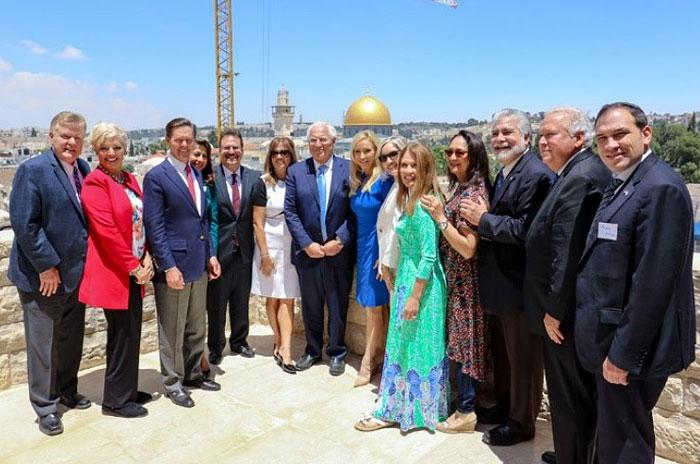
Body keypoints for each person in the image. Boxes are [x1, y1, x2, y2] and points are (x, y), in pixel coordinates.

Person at [576, 102, 696, 464]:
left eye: (620, 134)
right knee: (617, 435)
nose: (611, 145)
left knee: (627, 443)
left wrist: (623, 355)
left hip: (630, 350)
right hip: (612, 341)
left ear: (646, 134)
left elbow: (652, 285)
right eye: (602, 139)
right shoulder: (627, 182)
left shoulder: (660, 188)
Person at [460, 109, 553, 446]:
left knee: (524, 360)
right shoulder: (506, 173)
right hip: (502, 288)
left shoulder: (536, 176)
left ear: (526, 139)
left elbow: (528, 231)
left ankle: (522, 423)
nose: (499, 138)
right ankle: (505, 408)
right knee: (505, 355)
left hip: (521, 288)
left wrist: (483, 221)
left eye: (508, 133)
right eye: (496, 132)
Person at [523, 108, 610, 464]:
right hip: (565, 311)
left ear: (578, 138)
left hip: (564, 316)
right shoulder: (573, 172)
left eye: (551, 134)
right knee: (573, 395)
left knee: (570, 397)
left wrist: (554, 312)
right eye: (541, 135)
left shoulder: (580, 177)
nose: (543, 142)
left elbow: (568, 252)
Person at [355, 141, 449, 432]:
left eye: (413, 165)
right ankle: (405, 408)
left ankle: (401, 411)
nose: (407, 170)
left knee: (413, 345)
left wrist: (414, 297)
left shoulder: (424, 204)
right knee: (406, 345)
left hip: (421, 284)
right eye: (404, 165)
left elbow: (429, 254)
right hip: (409, 277)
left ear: (425, 169)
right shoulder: (410, 197)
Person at [8, 111, 91, 435]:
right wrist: (46, 265)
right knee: (43, 345)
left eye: (77, 137)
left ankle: (67, 391)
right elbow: (24, 223)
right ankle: (45, 407)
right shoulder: (34, 169)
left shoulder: (82, 169)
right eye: (64, 136)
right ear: (51, 136)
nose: (71, 142)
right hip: (43, 278)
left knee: (70, 340)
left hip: (75, 275)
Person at [143, 117, 221, 408]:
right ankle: (172, 382)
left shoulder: (196, 174)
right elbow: (155, 226)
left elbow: (202, 221)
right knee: (172, 329)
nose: (185, 144)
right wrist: (168, 266)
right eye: (179, 140)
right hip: (174, 265)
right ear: (168, 141)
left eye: (189, 139)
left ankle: (191, 374)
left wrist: (211, 255)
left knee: (195, 324)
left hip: (198, 262)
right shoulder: (158, 176)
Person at [79, 122, 155, 418]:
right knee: (122, 335)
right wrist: (134, 267)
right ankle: (115, 401)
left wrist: (147, 256)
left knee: (131, 332)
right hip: (117, 272)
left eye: (117, 147)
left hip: (135, 267)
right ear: (96, 151)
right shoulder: (95, 183)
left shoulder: (129, 178)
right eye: (104, 148)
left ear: (125, 149)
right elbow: (107, 233)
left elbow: (139, 222)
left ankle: (126, 389)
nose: (111, 153)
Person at [421, 130, 492, 434]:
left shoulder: (472, 196)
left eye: (459, 153)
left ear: (473, 155)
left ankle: (466, 410)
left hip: (467, 285)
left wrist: (440, 217)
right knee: (460, 345)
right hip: (456, 282)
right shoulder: (462, 188)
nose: (451, 157)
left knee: (465, 346)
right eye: (448, 152)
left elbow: (468, 247)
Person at [284, 121, 355, 376]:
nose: (318, 144)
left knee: (337, 305)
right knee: (311, 305)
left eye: (323, 139)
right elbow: (290, 212)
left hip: (339, 252)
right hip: (309, 254)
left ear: (333, 142)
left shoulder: (349, 169)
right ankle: (313, 350)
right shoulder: (296, 172)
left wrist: (341, 239)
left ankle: (337, 352)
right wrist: (307, 244)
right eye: (313, 140)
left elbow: (354, 211)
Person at [206, 128, 261, 364]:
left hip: (245, 251)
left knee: (241, 299)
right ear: (219, 150)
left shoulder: (253, 178)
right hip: (219, 251)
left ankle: (239, 341)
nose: (231, 152)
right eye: (226, 148)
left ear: (242, 149)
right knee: (216, 303)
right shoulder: (210, 178)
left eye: (235, 148)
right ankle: (216, 346)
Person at [250, 136, 301, 374]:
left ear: (292, 155)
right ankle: (278, 341)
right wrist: (265, 255)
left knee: (288, 297)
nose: (280, 156)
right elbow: (257, 223)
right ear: (270, 157)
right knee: (272, 297)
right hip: (268, 245)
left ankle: (286, 348)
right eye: (275, 153)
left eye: (285, 152)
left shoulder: (297, 181)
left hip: (291, 245)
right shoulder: (263, 184)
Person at [349, 130, 393, 387]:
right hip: (362, 246)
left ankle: (368, 362)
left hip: (377, 250)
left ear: (376, 151)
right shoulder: (360, 179)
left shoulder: (384, 181)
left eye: (367, 150)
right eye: (357, 151)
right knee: (373, 305)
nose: (362, 156)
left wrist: (384, 254)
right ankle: (379, 356)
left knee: (374, 306)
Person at [190, 139, 217, 378]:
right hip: (182, 256)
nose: (199, 160)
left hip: (202, 255)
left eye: (204, 156)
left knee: (199, 314)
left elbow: (212, 222)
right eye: (195, 154)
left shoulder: (207, 184)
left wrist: (212, 254)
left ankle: (200, 358)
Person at [376, 135, 407, 292]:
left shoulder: (408, 187)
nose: (388, 161)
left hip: (402, 267)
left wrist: (387, 263)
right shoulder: (395, 185)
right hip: (393, 266)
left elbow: (399, 229)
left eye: (393, 154)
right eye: (383, 158)